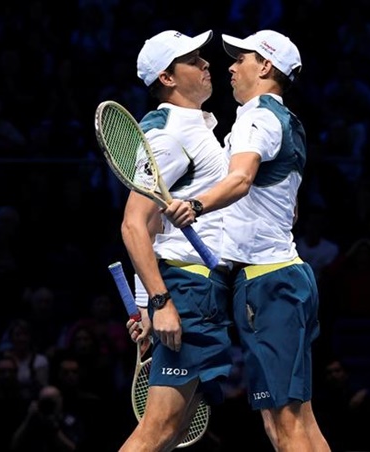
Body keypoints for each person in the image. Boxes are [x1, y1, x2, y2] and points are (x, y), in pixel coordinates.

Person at [164, 29, 330, 451]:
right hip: (279, 280)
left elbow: (240, 179)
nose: (231, 67)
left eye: (242, 59)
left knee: (288, 426)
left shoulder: (257, 116)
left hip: (270, 284)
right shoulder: (285, 118)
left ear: (266, 66)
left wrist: (196, 206)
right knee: (294, 424)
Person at [119, 29, 234, 451]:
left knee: (173, 431)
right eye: (193, 61)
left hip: (202, 291)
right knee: (158, 432)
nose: (206, 65)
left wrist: (148, 304)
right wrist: (158, 303)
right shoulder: (167, 135)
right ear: (167, 77)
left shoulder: (197, 125)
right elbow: (135, 224)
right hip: (185, 292)